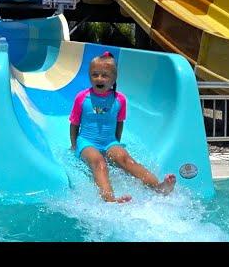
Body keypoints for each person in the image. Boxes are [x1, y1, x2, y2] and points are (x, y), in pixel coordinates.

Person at [69, 51, 176, 203]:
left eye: (104, 75)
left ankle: (158, 186)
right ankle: (109, 199)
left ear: (113, 79)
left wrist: (116, 145)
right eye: (95, 74)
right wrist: (74, 145)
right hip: (87, 142)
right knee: (99, 163)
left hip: (109, 141)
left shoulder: (120, 100)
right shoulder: (82, 97)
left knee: (126, 160)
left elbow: (119, 124)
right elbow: (74, 124)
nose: (99, 78)